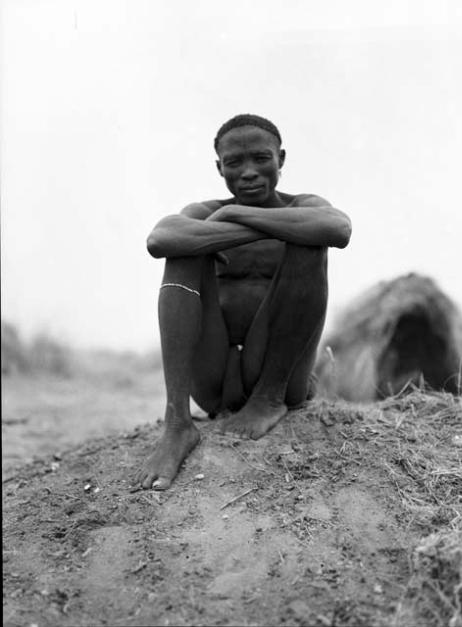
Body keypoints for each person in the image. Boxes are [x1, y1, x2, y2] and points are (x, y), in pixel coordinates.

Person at [134, 114, 352, 490]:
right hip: (214, 374)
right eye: (235, 163)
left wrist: (233, 215)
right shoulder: (204, 211)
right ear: (220, 168)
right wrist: (240, 224)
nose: (249, 172)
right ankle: (178, 423)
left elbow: (337, 228)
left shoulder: (302, 204)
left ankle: (268, 399)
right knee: (182, 252)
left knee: (309, 242)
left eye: (261, 159)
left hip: (280, 377)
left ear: (281, 159)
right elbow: (161, 239)